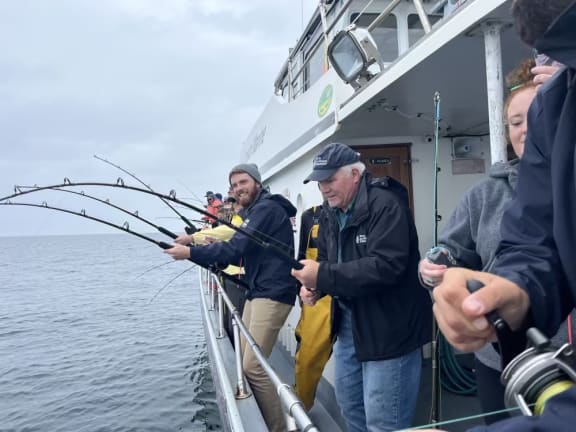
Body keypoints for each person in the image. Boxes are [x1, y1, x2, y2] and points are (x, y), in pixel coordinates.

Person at [423, 0, 576, 430]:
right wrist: (510, 290)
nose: (526, 129)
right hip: (507, 356)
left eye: (530, 117)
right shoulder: (483, 193)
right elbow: (525, 246)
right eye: (514, 123)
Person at [292, 142, 432, 432]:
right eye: (320, 182)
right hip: (348, 326)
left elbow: (385, 266)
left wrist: (322, 276)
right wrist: (317, 288)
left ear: (355, 174)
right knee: (351, 409)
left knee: (385, 423)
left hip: (389, 329)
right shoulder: (330, 213)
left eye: (330, 180)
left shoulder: (387, 204)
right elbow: (330, 262)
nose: (324, 188)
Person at [165, 163, 297, 432]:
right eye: (234, 185)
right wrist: (205, 245)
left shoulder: (266, 209)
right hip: (258, 290)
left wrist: (190, 252)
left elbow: (234, 247)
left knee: (253, 367)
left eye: (243, 182)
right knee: (248, 360)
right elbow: (240, 249)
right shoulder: (255, 211)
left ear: (257, 182)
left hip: (272, 293)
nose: (238, 189)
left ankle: (279, 428)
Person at [293, 204, 333, 411]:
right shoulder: (310, 215)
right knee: (307, 356)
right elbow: (301, 254)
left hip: (350, 289)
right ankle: (301, 406)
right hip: (318, 294)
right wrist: (300, 291)